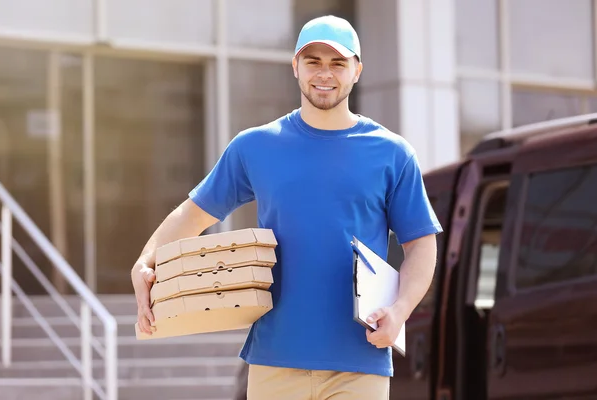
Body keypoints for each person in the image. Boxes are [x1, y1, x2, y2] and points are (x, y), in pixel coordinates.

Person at [131, 15, 442, 400]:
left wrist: (400, 310)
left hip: (361, 360)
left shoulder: (393, 154)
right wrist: (146, 261)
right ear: (295, 67)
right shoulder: (255, 147)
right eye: (313, 61)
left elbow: (421, 245)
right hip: (274, 361)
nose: (324, 74)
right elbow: (195, 214)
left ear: (357, 71)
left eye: (338, 63)